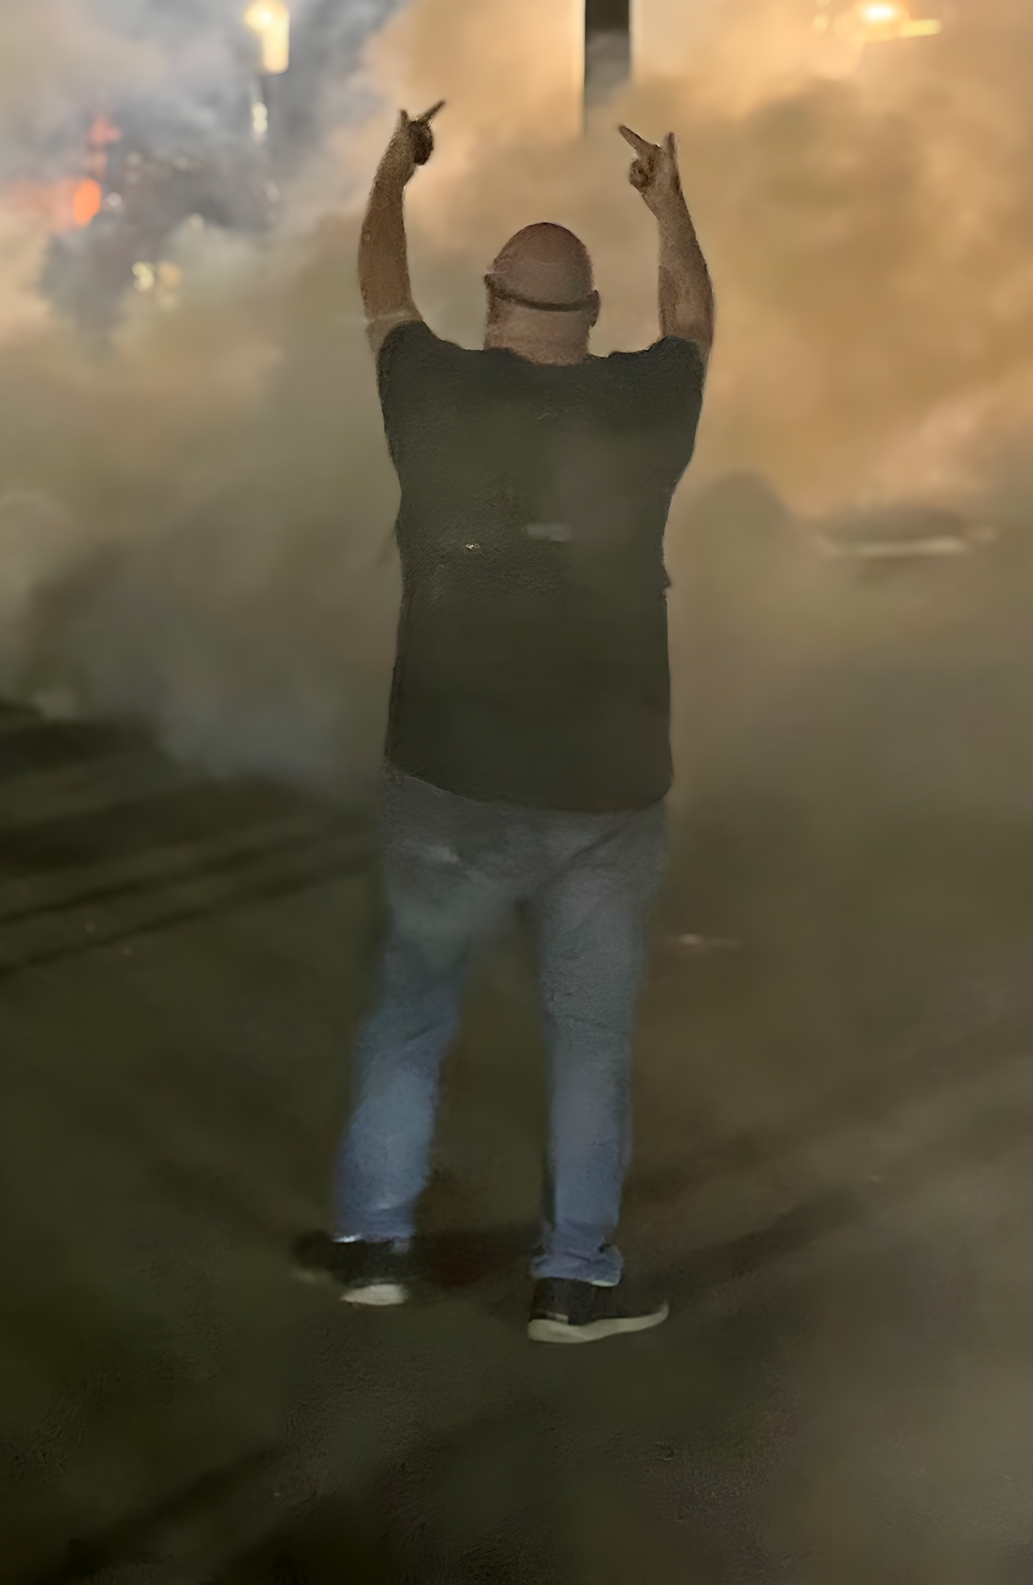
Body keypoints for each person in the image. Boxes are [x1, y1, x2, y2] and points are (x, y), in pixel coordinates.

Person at [300, 106, 714, 1344]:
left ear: (489, 306)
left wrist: (389, 172)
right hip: (606, 788)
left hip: (449, 776)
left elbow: (377, 286)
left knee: (411, 1013)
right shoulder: (646, 408)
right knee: (587, 1043)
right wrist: (667, 204)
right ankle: (573, 1278)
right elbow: (693, 321)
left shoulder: (429, 396)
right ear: (588, 321)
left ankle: (373, 1244)